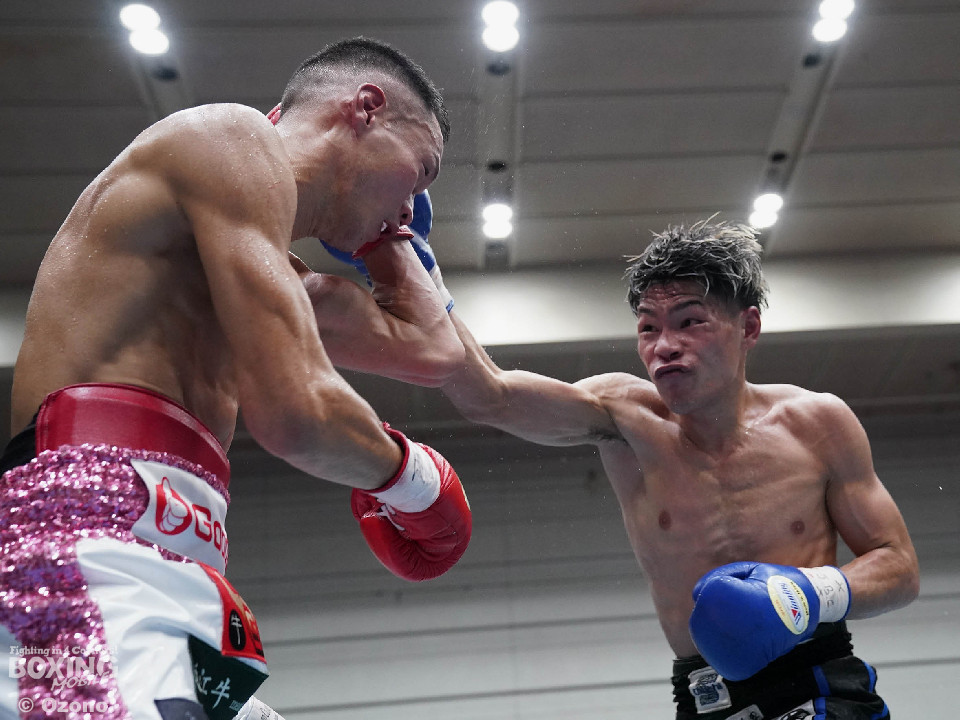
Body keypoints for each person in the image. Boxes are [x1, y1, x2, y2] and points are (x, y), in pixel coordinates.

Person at [0, 37, 472, 720]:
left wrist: (394, 241)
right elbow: (299, 414)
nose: (412, 205)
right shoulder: (228, 136)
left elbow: (434, 353)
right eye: (421, 172)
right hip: (87, 546)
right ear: (367, 107)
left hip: (181, 565)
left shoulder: (269, 272)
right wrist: (413, 479)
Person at [435, 217, 919, 719]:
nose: (663, 345)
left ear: (748, 327)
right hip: (705, 697)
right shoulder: (623, 419)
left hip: (818, 680)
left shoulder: (817, 423)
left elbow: (899, 567)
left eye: (690, 322)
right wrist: (421, 269)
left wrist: (807, 595)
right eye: (648, 327)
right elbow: (488, 397)